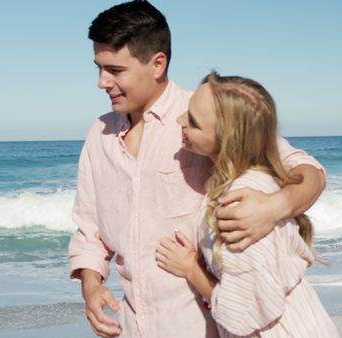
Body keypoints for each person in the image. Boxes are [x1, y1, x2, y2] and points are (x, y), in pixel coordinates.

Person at [68, 1, 326, 337]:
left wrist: (275, 205)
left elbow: (305, 169)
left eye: (115, 70)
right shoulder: (98, 134)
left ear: (157, 63)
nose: (102, 82)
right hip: (133, 326)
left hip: (206, 326)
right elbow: (89, 229)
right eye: (98, 68)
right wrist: (91, 287)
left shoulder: (202, 114)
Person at [155, 72, 339, 337]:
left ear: (227, 139)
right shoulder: (249, 181)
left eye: (193, 122)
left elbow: (243, 313)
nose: (179, 120)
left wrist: (191, 270)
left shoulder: (239, 203)